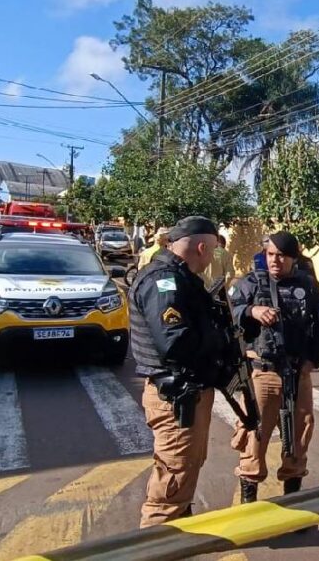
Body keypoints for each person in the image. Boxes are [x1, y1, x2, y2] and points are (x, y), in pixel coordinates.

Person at [128, 216, 224, 527]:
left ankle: (178, 533)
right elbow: (175, 342)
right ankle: (155, 543)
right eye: (211, 252)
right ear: (200, 246)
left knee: (184, 471)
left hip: (186, 394)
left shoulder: (179, 277)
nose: (211, 259)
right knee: (170, 484)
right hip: (175, 398)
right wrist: (219, 339)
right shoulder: (164, 281)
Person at [229, 230, 319, 504]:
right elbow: (229, 315)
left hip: (297, 372)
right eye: (271, 255)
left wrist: (315, 360)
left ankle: (292, 502)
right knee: (255, 434)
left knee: (299, 434)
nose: (275, 261)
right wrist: (251, 311)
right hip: (262, 372)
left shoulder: (309, 286)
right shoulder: (249, 284)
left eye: (282, 256)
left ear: (293, 258)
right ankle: (248, 505)